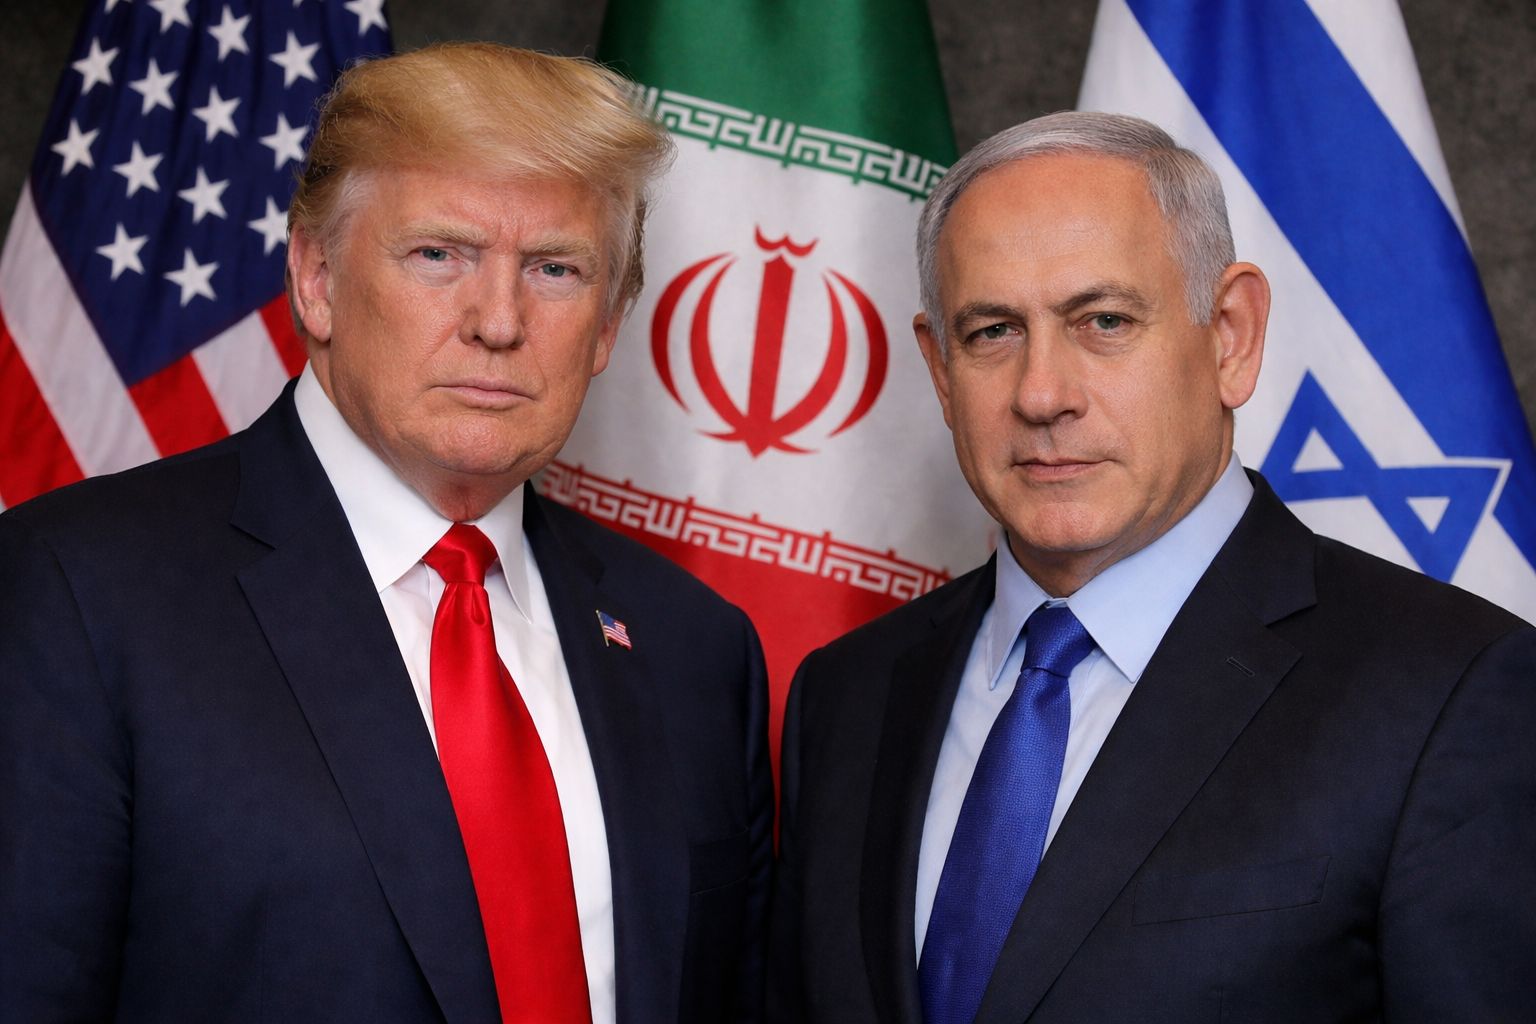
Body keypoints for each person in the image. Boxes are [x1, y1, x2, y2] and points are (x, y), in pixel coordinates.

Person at [0, 43, 772, 1024]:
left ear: (610, 323)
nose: (499, 321)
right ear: (316, 278)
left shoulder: (695, 647)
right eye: (439, 254)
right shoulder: (77, 593)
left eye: (556, 269)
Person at [768, 111, 1536, 1023]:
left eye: (1104, 321)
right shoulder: (846, 696)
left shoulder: (1451, 693)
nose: (1042, 394)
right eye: (993, 332)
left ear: (1231, 335)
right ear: (940, 370)